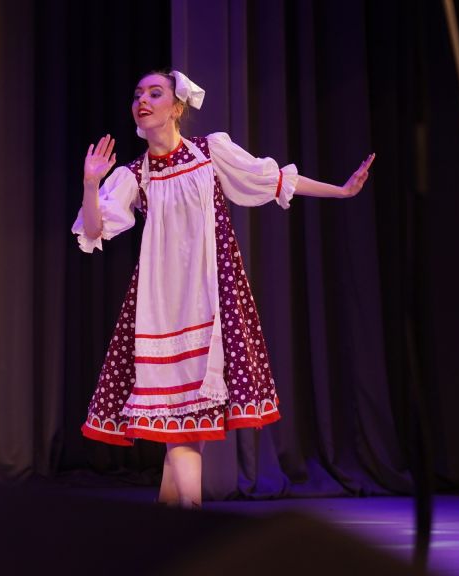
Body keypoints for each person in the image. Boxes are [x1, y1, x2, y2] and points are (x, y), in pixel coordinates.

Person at [74, 70, 374, 508]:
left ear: (177, 107)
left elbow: (273, 180)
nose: (143, 101)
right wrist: (90, 184)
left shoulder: (209, 152)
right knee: (182, 425)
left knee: (186, 424)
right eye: (137, 94)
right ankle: (190, 519)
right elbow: (94, 230)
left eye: (155, 93)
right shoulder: (135, 175)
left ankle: (174, 523)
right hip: (162, 306)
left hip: (211, 298)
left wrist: (341, 192)